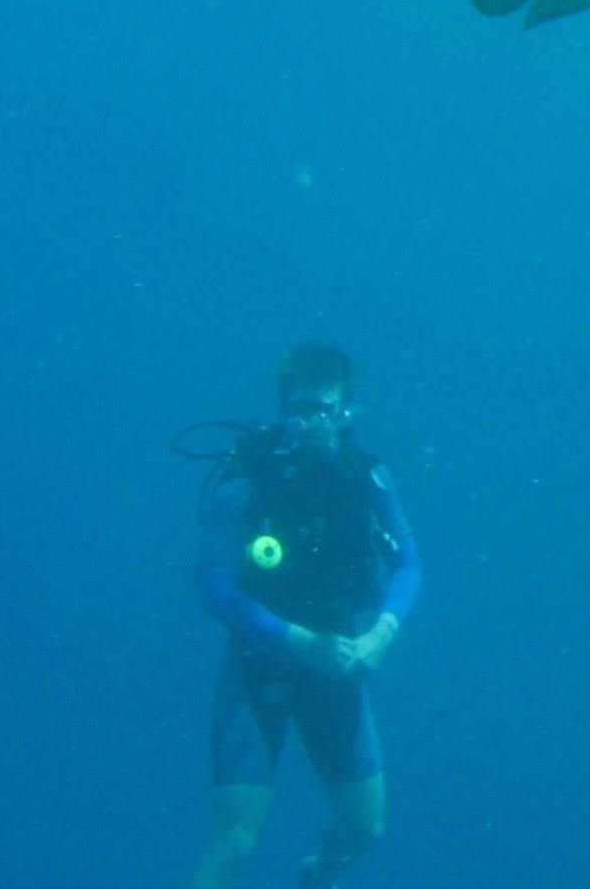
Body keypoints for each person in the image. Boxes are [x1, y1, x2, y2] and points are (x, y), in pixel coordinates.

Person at [187, 342, 421, 889]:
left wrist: (382, 633)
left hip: (335, 667)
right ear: (282, 410)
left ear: (345, 412)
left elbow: (410, 563)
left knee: (365, 830)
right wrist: (293, 640)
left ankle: (317, 877)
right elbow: (215, 588)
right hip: (257, 669)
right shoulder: (248, 479)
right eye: (300, 410)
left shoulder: (368, 478)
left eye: (324, 409)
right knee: (236, 842)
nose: (311, 423)